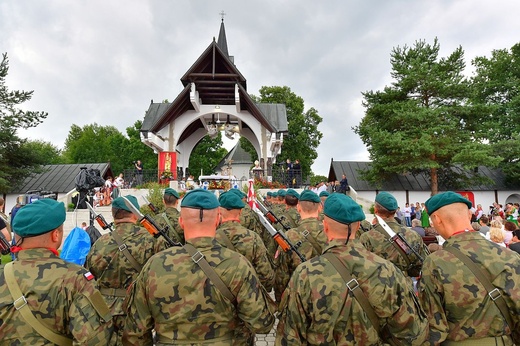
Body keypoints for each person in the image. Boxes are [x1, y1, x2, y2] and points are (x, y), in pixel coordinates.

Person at [123, 189, 276, 345]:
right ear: (218, 219)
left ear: (181, 222)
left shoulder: (154, 266)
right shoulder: (239, 265)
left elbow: (135, 334)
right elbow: (262, 324)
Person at [276, 193, 428, 345]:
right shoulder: (389, 271)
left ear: (325, 226)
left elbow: (290, 337)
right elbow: (412, 335)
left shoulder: (304, 274)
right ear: (359, 226)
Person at [0, 199, 113, 344]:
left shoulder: (3, 273)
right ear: (56, 235)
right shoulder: (76, 278)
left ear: (17, 236)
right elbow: (96, 340)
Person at [419, 191, 520, 344]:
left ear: (437, 220)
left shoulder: (435, 263)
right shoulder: (509, 255)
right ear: (469, 216)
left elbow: (434, 326)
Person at [85, 195, 169, 344]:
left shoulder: (100, 243)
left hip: (104, 309)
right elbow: (162, 275)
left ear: (113, 214)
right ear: (135, 214)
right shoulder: (151, 239)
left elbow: (89, 274)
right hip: (137, 309)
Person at [274, 190, 326, 303]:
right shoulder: (329, 232)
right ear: (320, 208)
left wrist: (280, 301)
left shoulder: (290, 236)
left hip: (298, 295)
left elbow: (282, 273)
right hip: (327, 292)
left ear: (298, 208)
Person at [360, 192, 427, 278]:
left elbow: (363, 268)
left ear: (375, 210)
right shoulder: (413, 235)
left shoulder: (367, 237)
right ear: (395, 211)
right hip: (407, 286)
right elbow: (422, 263)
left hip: (379, 286)